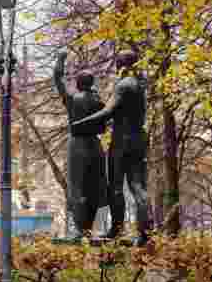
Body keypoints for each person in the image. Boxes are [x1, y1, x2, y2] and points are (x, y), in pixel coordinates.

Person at [69, 50, 152, 245]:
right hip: (139, 139)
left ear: (122, 64)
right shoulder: (140, 85)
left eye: (117, 63)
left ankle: (116, 230)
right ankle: (145, 232)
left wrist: (81, 123)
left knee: (116, 187)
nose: (116, 67)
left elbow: (108, 111)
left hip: (122, 141)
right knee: (137, 186)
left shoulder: (123, 85)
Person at [53, 54, 107, 235]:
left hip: (77, 145)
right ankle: (92, 229)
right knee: (95, 187)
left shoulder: (72, 98)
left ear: (77, 83)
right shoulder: (99, 101)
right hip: (95, 145)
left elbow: (58, 78)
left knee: (76, 187)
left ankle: (80, 229)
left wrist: (61, 59)